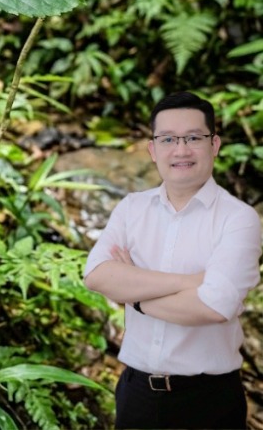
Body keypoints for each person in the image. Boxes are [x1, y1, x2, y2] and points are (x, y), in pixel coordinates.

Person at [84, 91, 261, 430]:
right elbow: (96, 274)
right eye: (168, 139)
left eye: (193, 138)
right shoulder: (132, 208)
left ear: (214, 144)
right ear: (152, 149)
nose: (180, 150)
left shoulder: (238, 218)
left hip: (209, 401)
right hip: (137, 395)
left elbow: (214, 306)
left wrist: (135, 296)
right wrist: (189, 283)